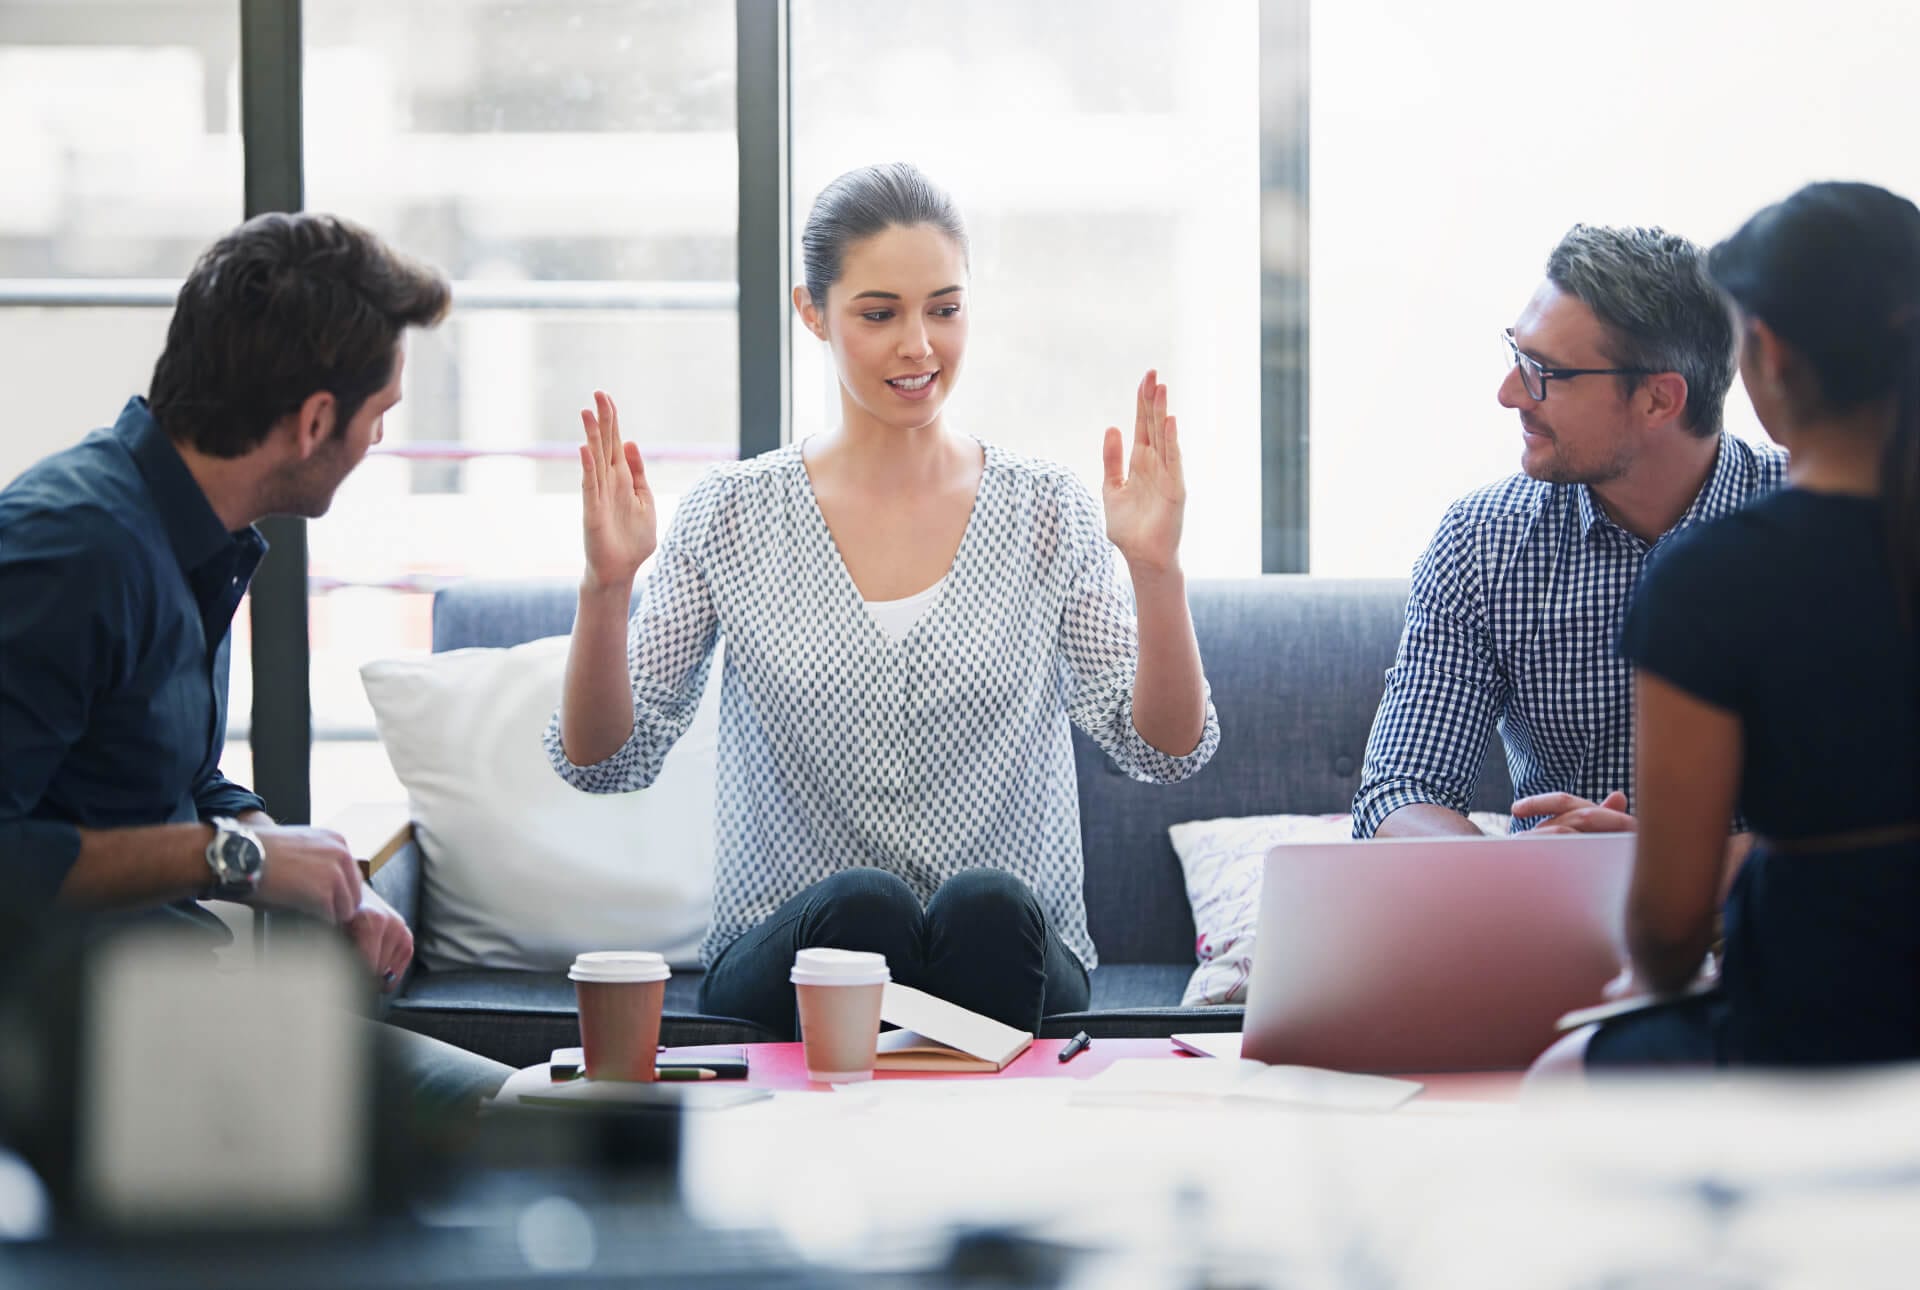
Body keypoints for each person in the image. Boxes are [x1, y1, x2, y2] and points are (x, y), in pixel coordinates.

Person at [548, 162, 1219, 1038]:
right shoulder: (732, 516)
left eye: (945, 308)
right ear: (812, 313)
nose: (920, 346)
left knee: (986, 909)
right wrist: (606, 590)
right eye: (880, 314)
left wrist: (1157, 573)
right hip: (790, 959)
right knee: (864, 914)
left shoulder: (1044, 510)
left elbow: (1164, 752)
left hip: (1010, 957)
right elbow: (603, 761)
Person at [0, 211, 510, 1106]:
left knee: (540, 1110)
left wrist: (298, 858)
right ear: (317, 421)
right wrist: (236, 861)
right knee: (522, 1128)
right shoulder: (74, 550)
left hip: (165, 1008)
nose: (379, 441)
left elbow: (174, 778)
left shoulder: (187, 533)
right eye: (379, 413)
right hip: (71, 1048)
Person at [1553, 181, 1920, 1070]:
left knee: (1564, 1075)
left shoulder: (1711, 580)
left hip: (1806, 1043)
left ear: (1771, 356)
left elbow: (1672, 929)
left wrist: (1643, 987)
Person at [1353, 224, 1787, 845]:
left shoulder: (1819, 526)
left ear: (1660, 401)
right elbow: (1399, 791)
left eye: (1544, 373)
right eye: (1517, 354)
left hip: (1766, 922)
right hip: (1541, 918)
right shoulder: (1483, 542)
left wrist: (1683, 868)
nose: (1509, 395)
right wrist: (1514, 872)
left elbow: (1880, 806)